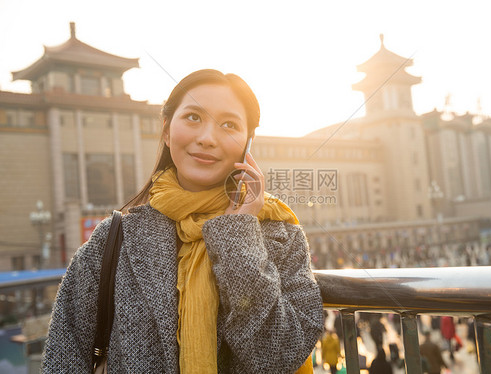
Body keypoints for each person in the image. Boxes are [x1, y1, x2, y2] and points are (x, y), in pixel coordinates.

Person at [41, 69, 325, 373]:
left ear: (247, 144)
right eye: (193, 117)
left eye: (229, 125)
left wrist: (239, 236)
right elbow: (63, 356)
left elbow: (279, 355)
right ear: (166, 129)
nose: (206, 138)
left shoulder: (281, 235)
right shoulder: (113, 240)